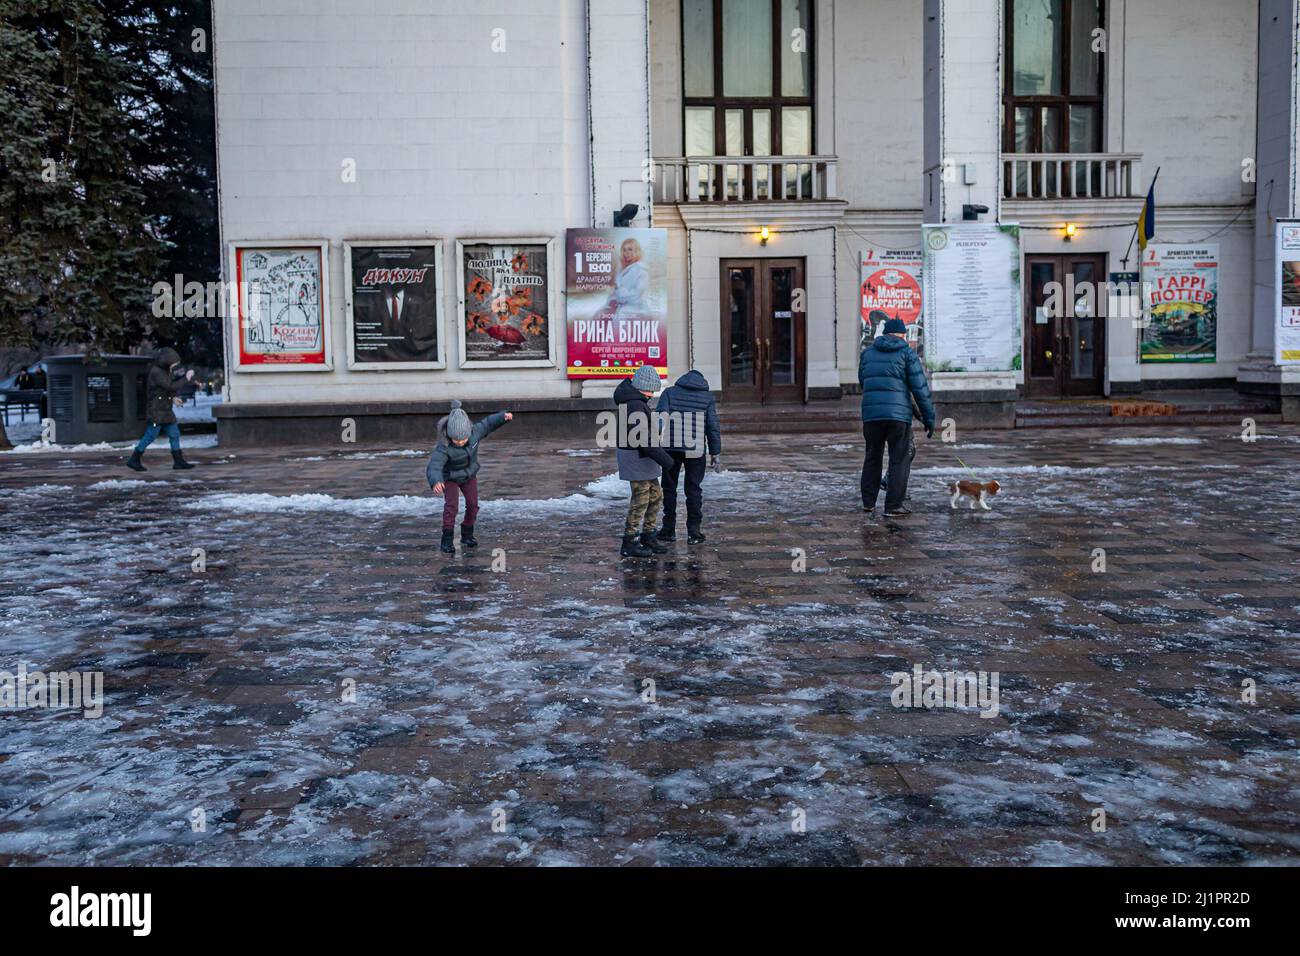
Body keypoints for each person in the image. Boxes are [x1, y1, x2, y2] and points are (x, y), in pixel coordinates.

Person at [859, 318, 934, 517]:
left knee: (872, 457)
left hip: (872, 415)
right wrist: (929, 418)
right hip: (898, 416)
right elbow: (920, 389)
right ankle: (893, 506)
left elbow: (863, 381)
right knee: (898, 459)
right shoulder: (908, 354)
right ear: (901, 335)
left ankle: (868, 503)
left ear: (885, 334)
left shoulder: (867, 353)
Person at [426, 400, 512, 554]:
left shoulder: (474, 433)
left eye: (463, 439)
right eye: (456, 440)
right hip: (449, 478)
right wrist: (436, 481)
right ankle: (447, 540)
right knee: (452, 507)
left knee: (473, 505)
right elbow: (434, 465)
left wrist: (502, 417)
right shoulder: (443, 447)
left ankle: (467, 534)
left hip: (468, 475)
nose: (460, 442)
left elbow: (488, 424)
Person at [614, 364, 675, 558]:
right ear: (641, 386)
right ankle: (629, 541)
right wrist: (667, 461)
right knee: (641, 499)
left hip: (643, 457)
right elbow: (643, 440)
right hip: (636, 458)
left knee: (655, 496)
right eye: (650, 390)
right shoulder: (634, 404)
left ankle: (648, 535)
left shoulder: (637, 402)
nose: (652, 394)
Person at [654, 369, 721, 545]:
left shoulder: (669, 393)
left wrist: (652, 443)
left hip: (670, 447)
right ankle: (694, 532)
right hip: (695, 448)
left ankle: (668, 530)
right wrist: (715, 452)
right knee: (693, 489)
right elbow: (712, 426)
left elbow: (660, 418)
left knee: (669, 488)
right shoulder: (708, 398)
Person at [127, 348, 195, 471]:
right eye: (174, 363)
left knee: (174, 434)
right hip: (156, 411)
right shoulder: (157, 372)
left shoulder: (164, 371)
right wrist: (186, 378)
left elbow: (166, 389)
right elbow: (169, 385)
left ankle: (178, 461)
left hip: (165, 410)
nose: (175, 366)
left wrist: (174, 397)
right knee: (151, 435)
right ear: (167, 361)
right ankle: (134, 459)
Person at [601, 238, 649, 321]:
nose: (626, 253)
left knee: (620, 317)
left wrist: (621, 295)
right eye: (624, 250)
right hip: (621, 305)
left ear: (637, 251)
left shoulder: (641, 270)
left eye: (630, 249)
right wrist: (611, 301)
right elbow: (614, 291)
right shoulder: (621, 271)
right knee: (600, 314)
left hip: (635, 307)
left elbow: (638, 293)